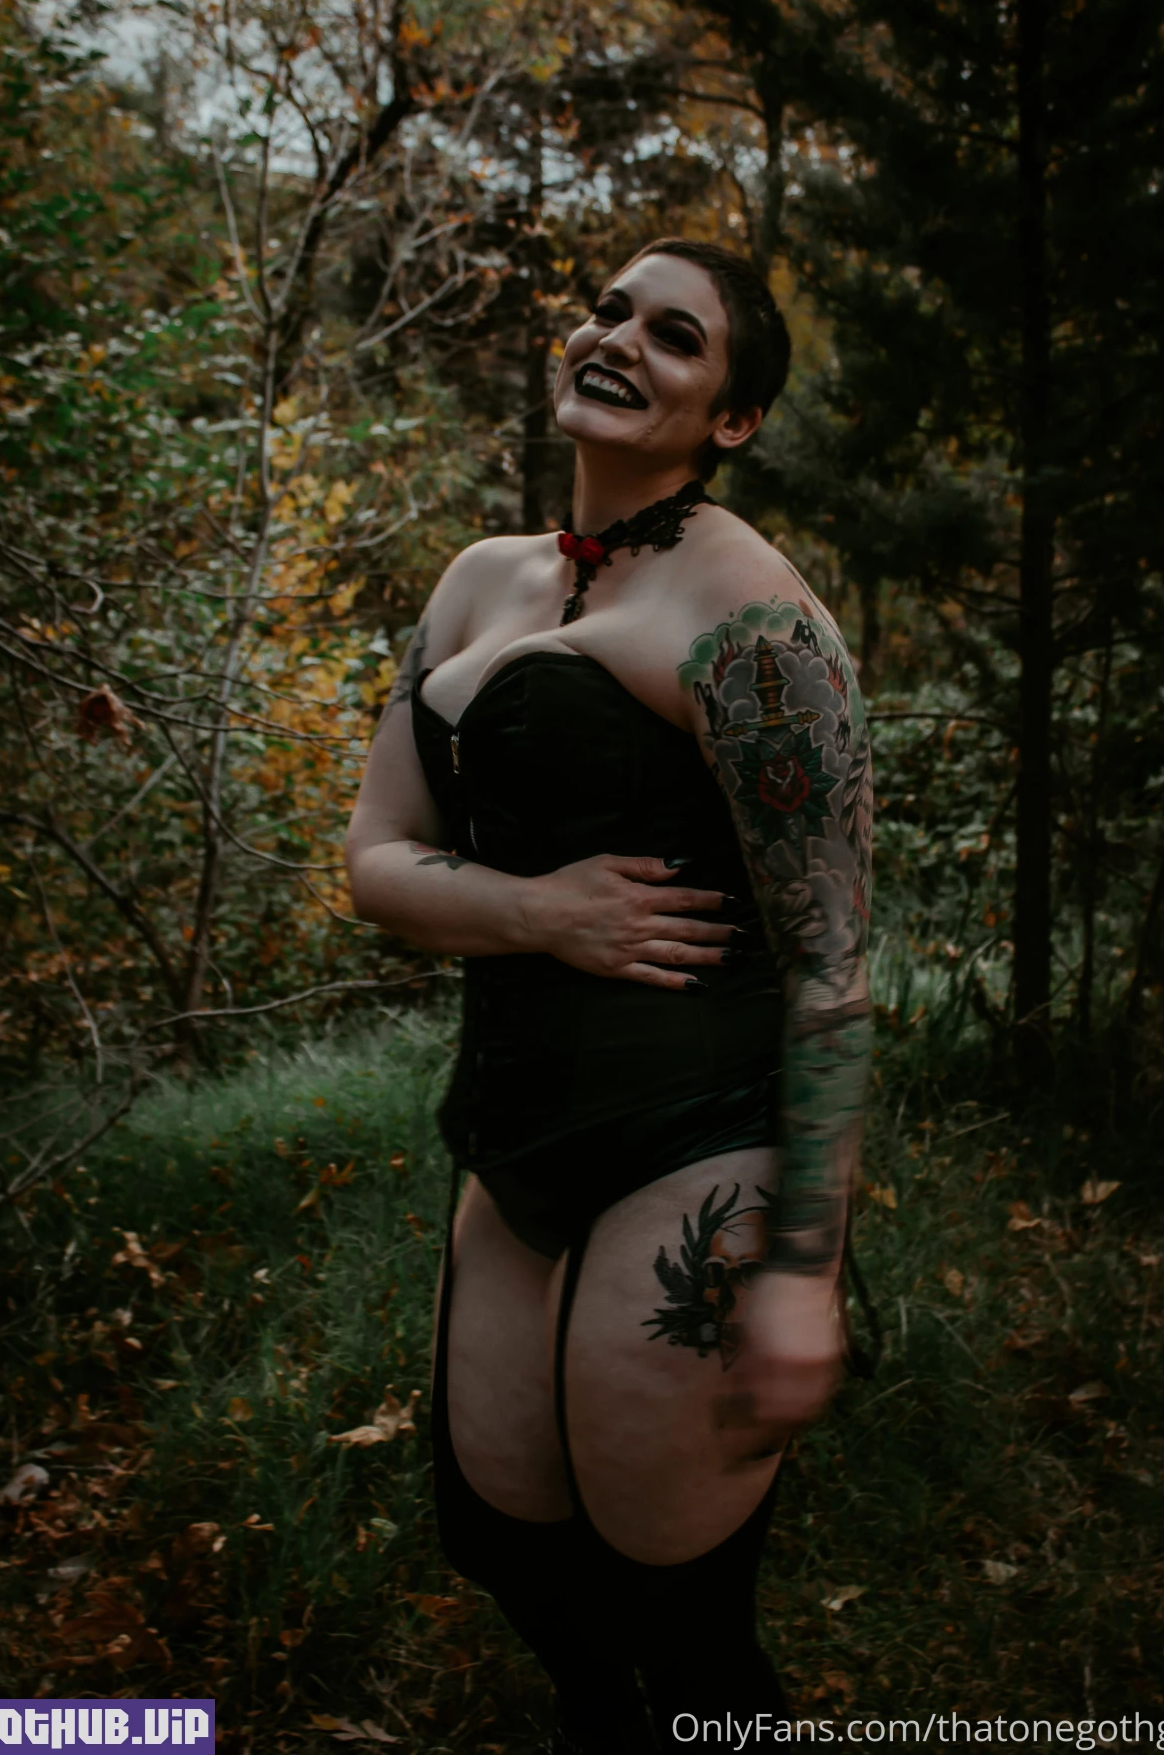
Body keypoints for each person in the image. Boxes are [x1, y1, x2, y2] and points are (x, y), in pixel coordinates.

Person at [345, 239, 873, 1753]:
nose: (620, 339)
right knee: (507, 1547)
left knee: (682, 1618)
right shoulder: (478, 581)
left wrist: (805, 1272)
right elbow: (375, 860)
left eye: (676, 336)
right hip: (507, 1135)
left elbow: (833, 963)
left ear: (733, 418)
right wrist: (537, 912)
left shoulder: (754, 618)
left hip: (692, 1135)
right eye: (608, 311)